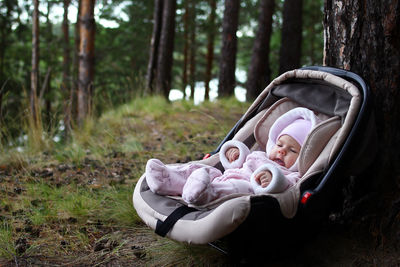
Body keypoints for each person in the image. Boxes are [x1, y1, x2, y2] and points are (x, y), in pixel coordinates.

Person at [145, 107, 320, 205]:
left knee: (234, 187)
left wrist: (274, 180)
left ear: (302, 157)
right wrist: (234, 155)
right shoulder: (260, 155)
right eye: (280, 145)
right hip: (223, 177)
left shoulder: (292, 174)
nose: (281, 151)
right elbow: (240, 163)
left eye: (292, 151)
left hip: (246, 190)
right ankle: (169, 180)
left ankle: (202, 195)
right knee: (207, 170)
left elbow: (290, 188)